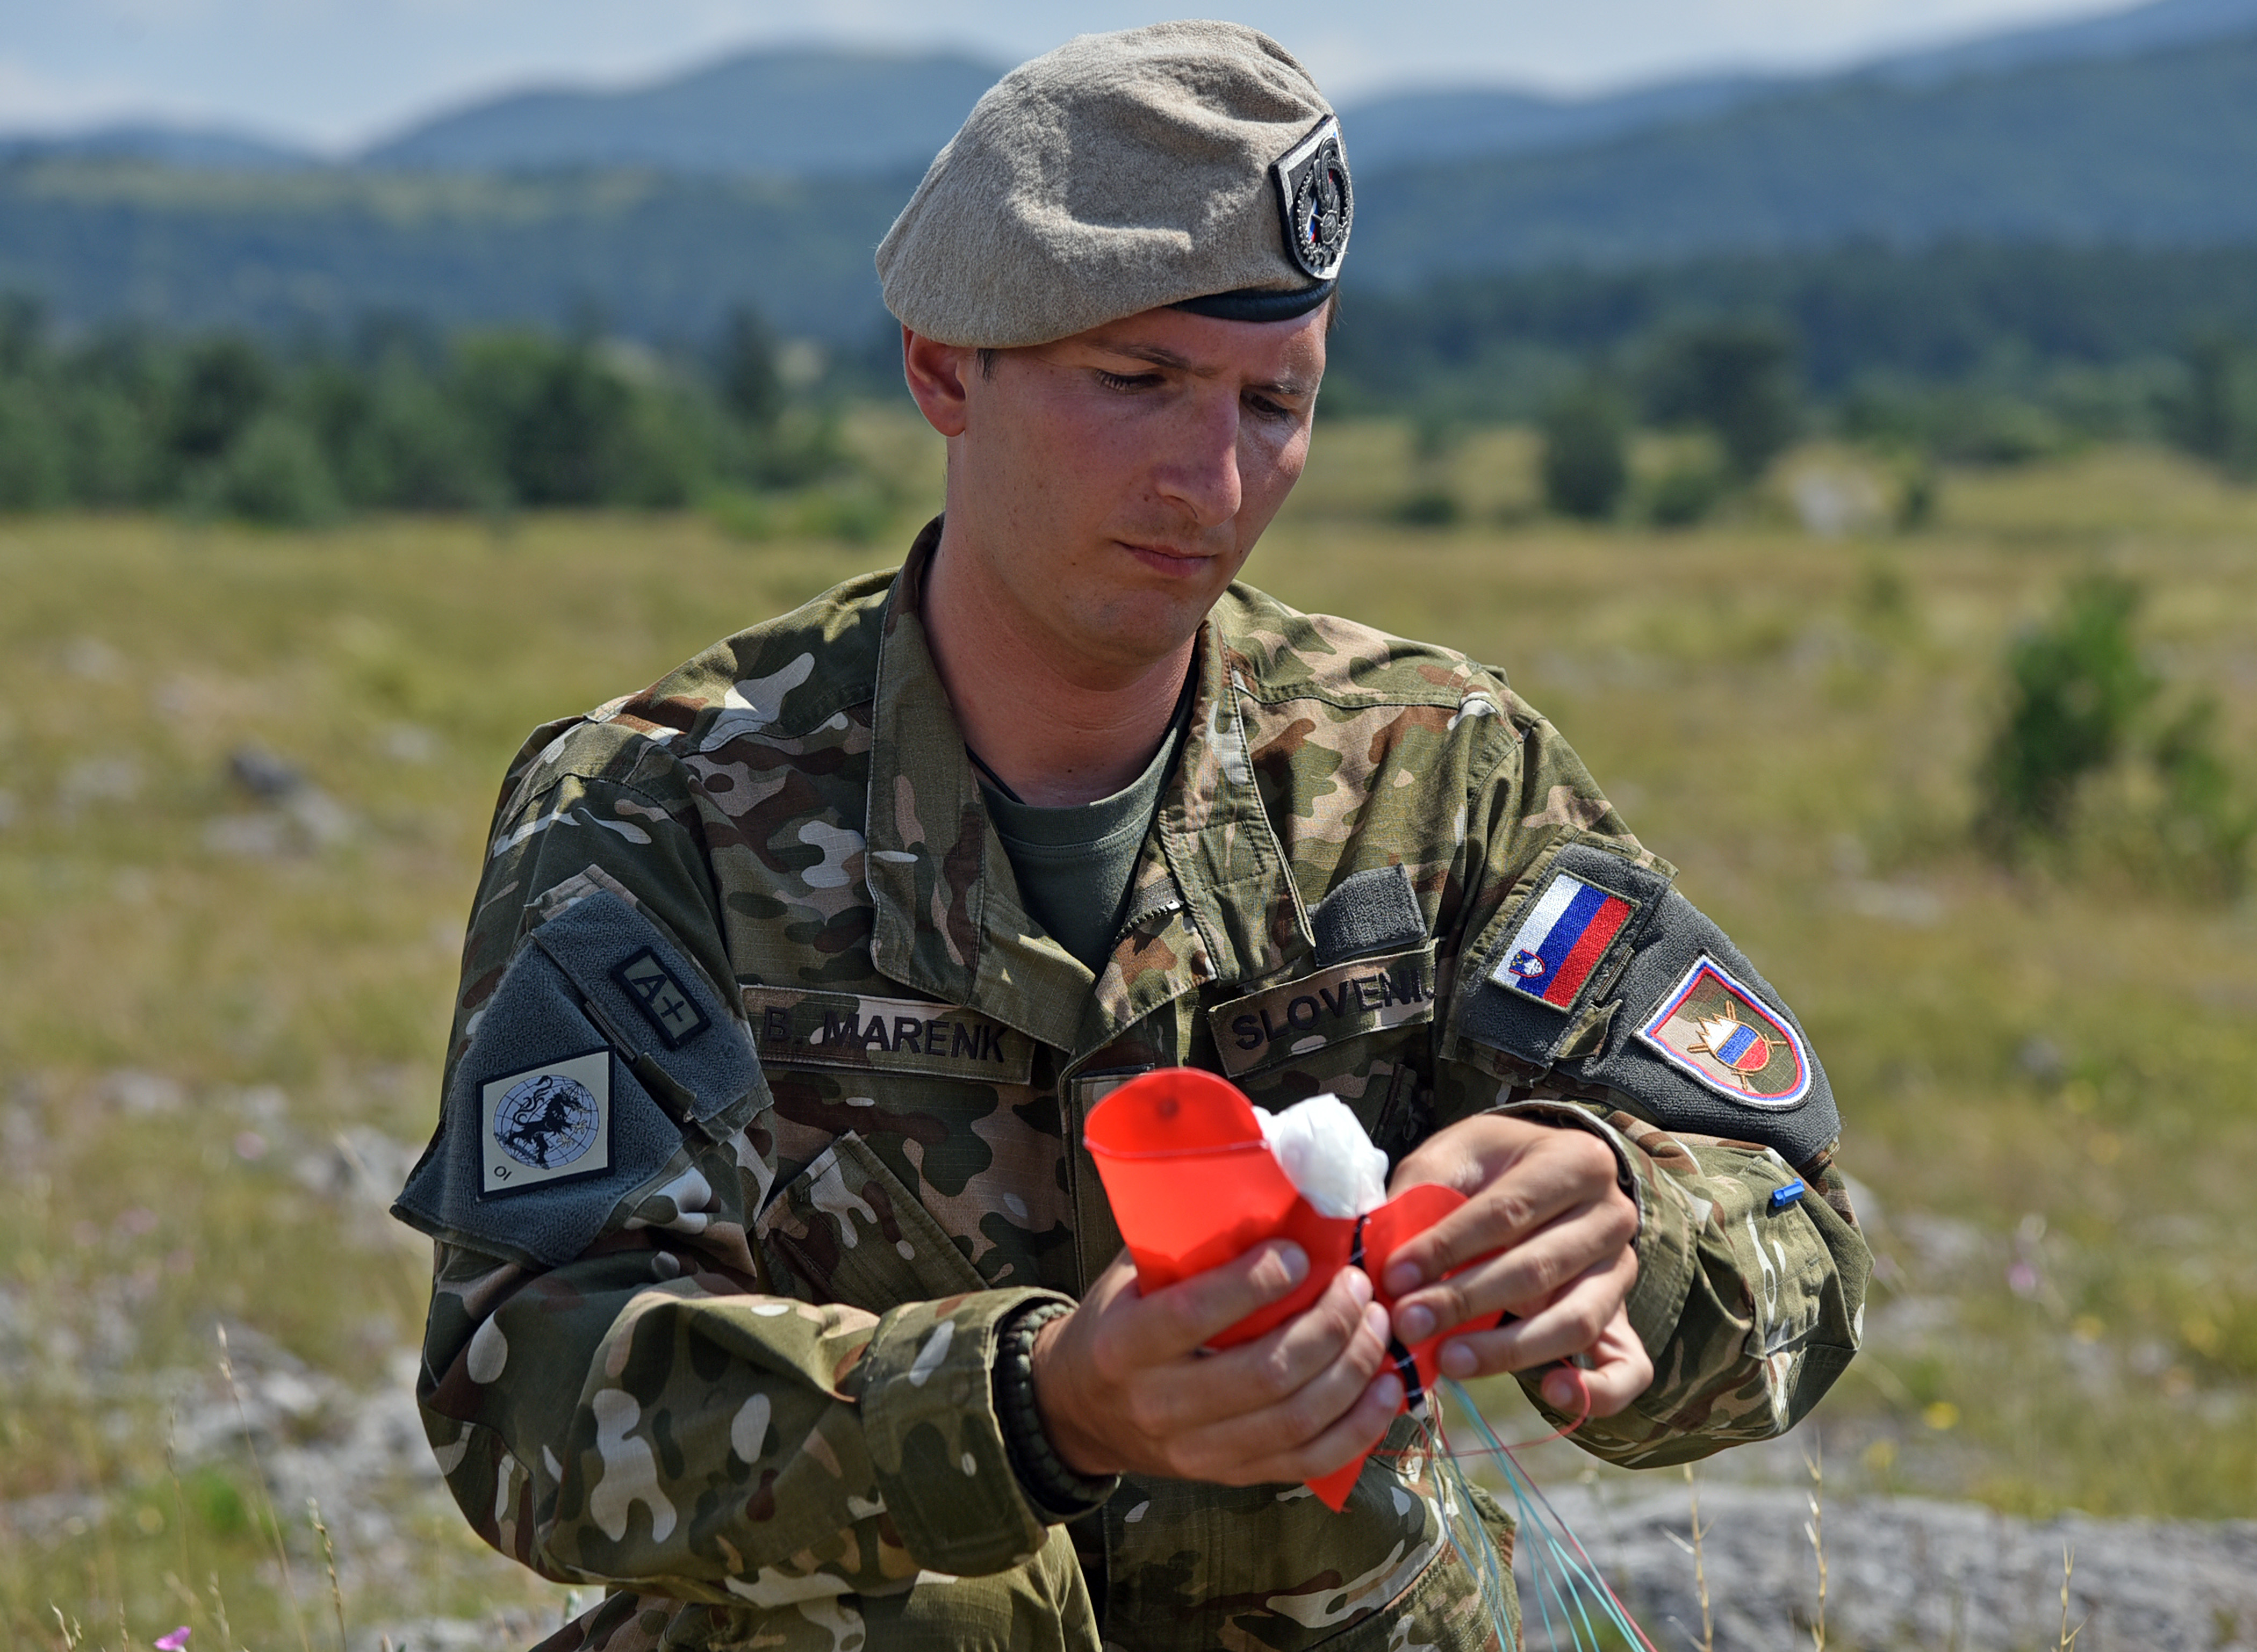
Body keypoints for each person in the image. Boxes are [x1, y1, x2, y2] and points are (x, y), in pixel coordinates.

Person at [393, 21, 1870, 1651]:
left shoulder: (1431, 770)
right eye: (1139, 382)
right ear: (945, 366)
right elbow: (524, 1394)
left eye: (1274, 402)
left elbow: (1795, 1219)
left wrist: (1622, 1226)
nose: (1212, 477)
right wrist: (1038, 1404)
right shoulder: (659, 807)